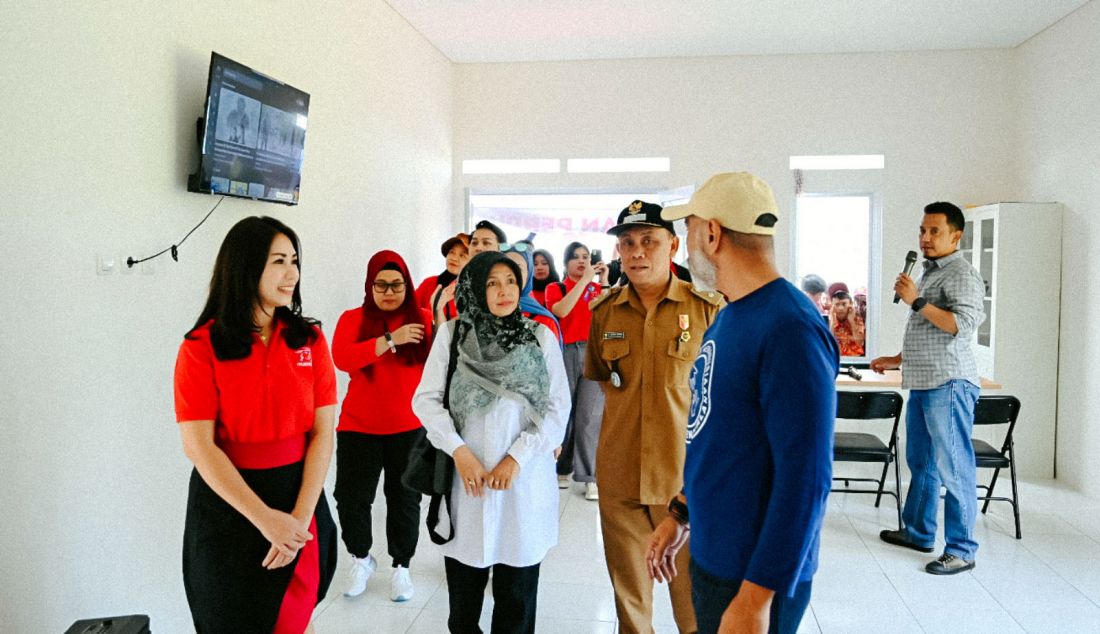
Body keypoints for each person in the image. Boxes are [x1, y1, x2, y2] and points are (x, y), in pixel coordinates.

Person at [648, 172, 839, 634]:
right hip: (715, 557)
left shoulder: (790, 328)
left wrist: (756, 599)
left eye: (689, 229)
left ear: (711, 233)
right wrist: (682, 513)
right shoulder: (730, 314)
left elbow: (806, 477)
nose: (687, 243)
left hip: (753, 577)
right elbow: (722, 435)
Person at [173, 216, 337, 633]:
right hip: (228, 508)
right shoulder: (200, 346)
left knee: (293, 621)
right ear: (246, 268)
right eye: (279, 261)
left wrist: (297, 521)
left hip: (298, 496)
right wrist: (265, 519)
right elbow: (199, 446)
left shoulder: (311, 341)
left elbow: (322, 434)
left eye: (295, 261)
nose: (292, 274)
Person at [412, 251, 570, 634]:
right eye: (492, 283)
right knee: (463, 609)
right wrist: (459, 450)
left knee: (516, 603)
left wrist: (516, 457)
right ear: (474, 289)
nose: (504, 292)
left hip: (523, 485)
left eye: (511, 282)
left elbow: (556, 408)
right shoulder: (452, 336)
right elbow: (426, 400)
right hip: (467, 483)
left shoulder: (540, 337)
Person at [585, 200, 722, 634]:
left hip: (683, 484)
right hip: (620, 476)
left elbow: (719, 398)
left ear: (674, 246)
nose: (637, 252)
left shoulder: (707, 310)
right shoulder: (605, 313)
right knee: (630, 603)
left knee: (693, 607)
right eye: (628, 243)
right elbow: (606, 382)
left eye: (649, 241)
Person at [873, 201, 986, 575]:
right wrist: (898, 358)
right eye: (923, 230)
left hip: (949, 383)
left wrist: (916, 300)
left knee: (954, 468)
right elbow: (930, 330)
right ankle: (920, 533)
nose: (925, 238)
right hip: (923, 380)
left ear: (957, 235)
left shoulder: (962, 274)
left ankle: (962, 550)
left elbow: (961, 326)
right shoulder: (931, 271)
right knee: (921, 463)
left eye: (934, 231)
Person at [331, 251, 433, 602]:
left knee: (404, 499)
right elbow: (342, 358)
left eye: (397, 284)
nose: (389, 292)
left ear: (407, 284)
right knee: (351, 498)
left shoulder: (424, 319)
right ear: (370, 285)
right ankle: (361, 558)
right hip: (358, 426)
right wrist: (390, 339)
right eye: (381, 284)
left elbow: (440, 365)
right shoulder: (353, 319)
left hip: (409, 427)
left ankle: (401, 567)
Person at [545, 241, 608, 499]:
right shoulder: (556, 287)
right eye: (575, 257)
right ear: (565, 262)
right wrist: (584, 282)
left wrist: (603, 281)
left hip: (595, 353)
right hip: (566, 352)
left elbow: (607, 316)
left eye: (586, 257)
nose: (582, 261)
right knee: (564, 412)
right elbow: (561, 310)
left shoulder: (596, 288)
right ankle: (562, 466)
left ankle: (589, 476)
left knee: (588, 417)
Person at [503, 244, 563, 342]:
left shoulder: (545, 321)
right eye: (535, 264)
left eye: (544, 263)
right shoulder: (483, 312)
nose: (539, 267)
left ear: (528, 272)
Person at [416, 233, 469, 325]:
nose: (454, 258)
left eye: (462, 255)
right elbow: (410, 310)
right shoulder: (429, 283)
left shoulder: (470, 290)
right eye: (452, 252)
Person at [829, 290, 866, 357]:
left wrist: (852, 322)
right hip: (835, 357)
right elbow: (828, 343)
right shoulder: (830, 319)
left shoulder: (857, 319)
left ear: (850, 304)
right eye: (837, 304)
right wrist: (832, 323)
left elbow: (860, 343)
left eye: (844, 304)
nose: (840, 308)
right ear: (832, 306)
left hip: (854, 358)